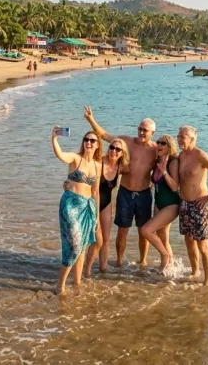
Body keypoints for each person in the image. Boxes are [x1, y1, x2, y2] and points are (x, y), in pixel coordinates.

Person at [83, 105, 156, 268]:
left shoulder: (155, 150)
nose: (141, 132)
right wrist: (91, 119)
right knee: (122, 230)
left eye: (145, 130)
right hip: (125, 193)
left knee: (143, 231)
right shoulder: (126, 142)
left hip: (144, 194)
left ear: (152, 133)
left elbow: (167, 163)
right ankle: (119, 261)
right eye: (140, 129)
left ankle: (143, 261)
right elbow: (104, 135)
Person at [51, 127, 101, 295]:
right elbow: (60, 155)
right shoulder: (75, 158)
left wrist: (97, 217)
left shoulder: (98, 165)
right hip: (71, 204)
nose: (89, 143)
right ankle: (60, 285)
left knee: (83, 245)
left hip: (88, 206)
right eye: (86, 140)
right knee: (74, 244)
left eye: (92, 141)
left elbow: (95, 192)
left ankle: (77, 283)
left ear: (97, 145)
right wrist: (54, 139)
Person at [176, 125, 208, 286]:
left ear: (192, 139)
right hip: (184, 204)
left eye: (182, 137)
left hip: (199, 205)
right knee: (188, 240)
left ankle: (207, 280)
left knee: (202, 245)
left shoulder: (200, 156)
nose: (179, 139)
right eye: (178, 136)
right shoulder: (181, 155)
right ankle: (195, 271)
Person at [84, 138, 129, 276]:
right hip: (92, 202)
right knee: (97, 240)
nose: (114, 151)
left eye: (118, 149)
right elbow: (84, 170)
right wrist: (69, 183)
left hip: (107, 203)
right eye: (112, 147)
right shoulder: (99, 162)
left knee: (106, 239)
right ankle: (87, 271)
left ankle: (103, 270)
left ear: (122, 153)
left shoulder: (121, 168)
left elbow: (139, 172)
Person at [140, 134, 182, 272]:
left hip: (171, 205)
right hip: (158, 203)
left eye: (163, 143)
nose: (158, 145)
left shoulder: (173, 162)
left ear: (169, 147)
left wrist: (164, 172)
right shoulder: (157, 160)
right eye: (158, 142)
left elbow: (174, 187)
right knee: (163, 237)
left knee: (146, 230)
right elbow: (154, 181)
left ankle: (165, 255)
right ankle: (169, 267)